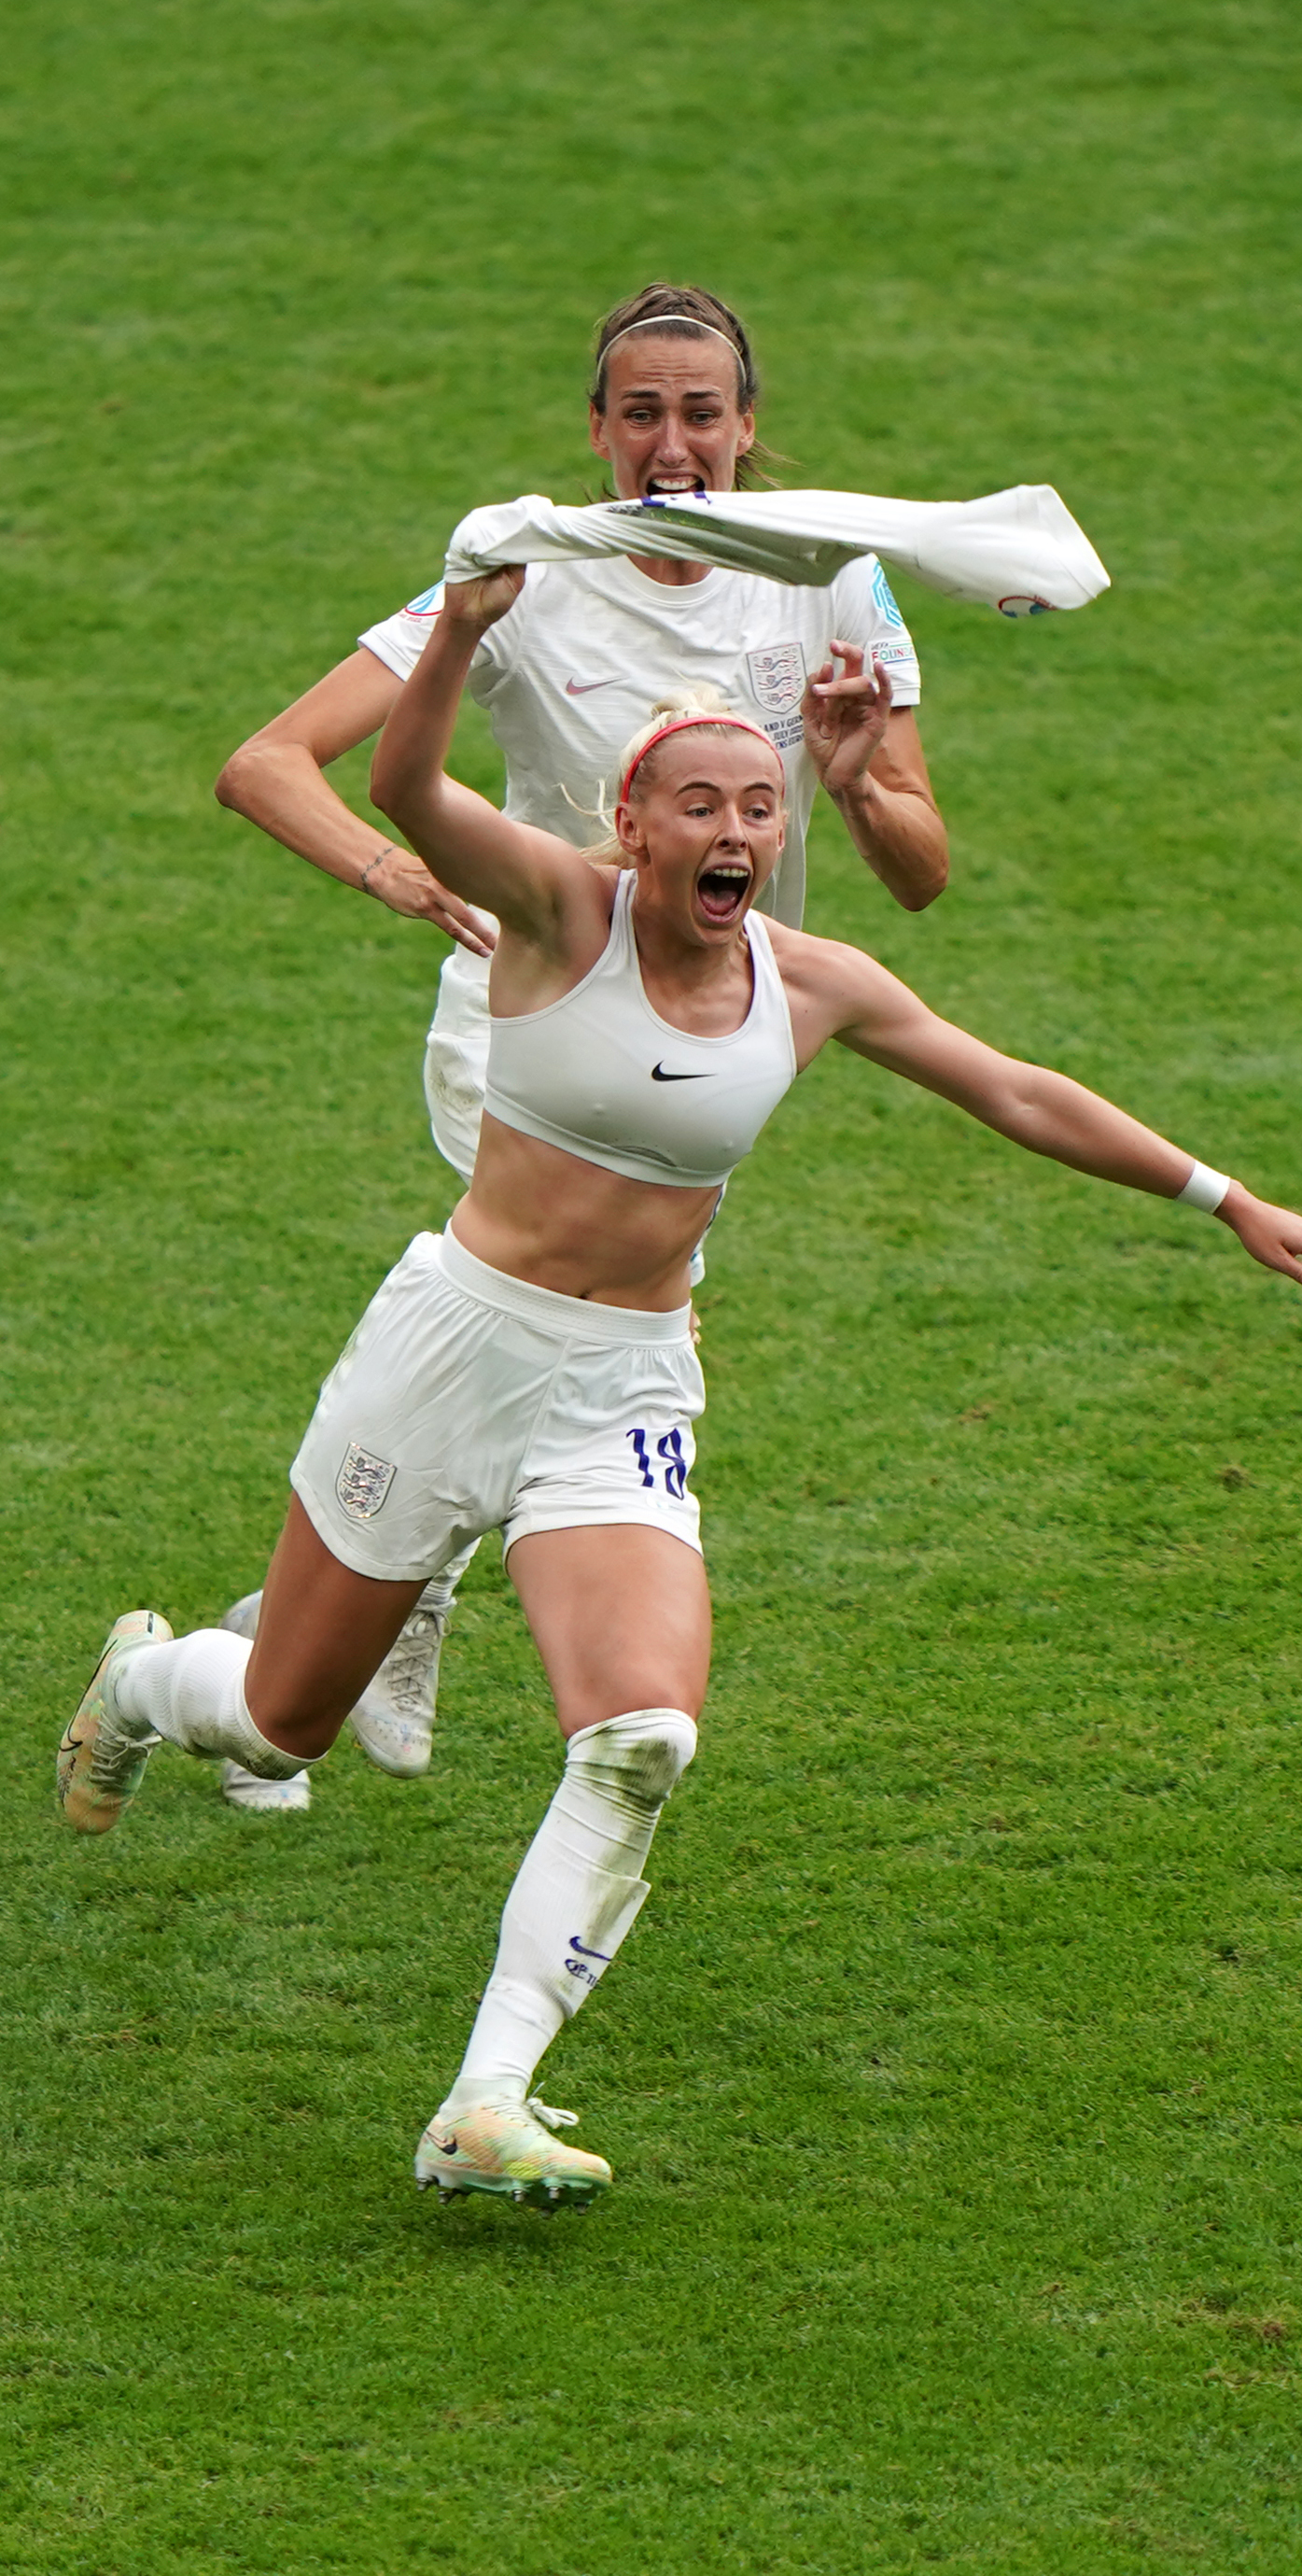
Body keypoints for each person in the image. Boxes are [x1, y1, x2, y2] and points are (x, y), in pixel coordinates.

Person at [55, 561, 1302, 2207]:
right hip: (448, 1350)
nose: (735, 831)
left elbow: (1015, 1092)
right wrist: (461, 630)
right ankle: (138, 1685)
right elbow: (395, 784)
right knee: (281, 1716)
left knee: (640, 1735)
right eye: (698, 803)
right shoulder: (555, 913)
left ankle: (486, 2098)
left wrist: (1226, 1198)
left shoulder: (807, 983)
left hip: (622, 1385)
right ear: (634, 820)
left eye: (757, 802)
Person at [202, 279, 951, 1812]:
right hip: (539, 1009)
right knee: (560, 1322)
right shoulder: (524, 571)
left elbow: (921, 866)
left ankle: (335, 1615)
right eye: (639, 413)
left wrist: (850, 778)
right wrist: (394, 870)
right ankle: (390, 1606)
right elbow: (268, 762)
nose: (670, 443)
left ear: (748, 430)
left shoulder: (829, 579)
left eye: (700, 413)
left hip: (721, 1021)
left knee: (595, 1332)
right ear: (597, 433)